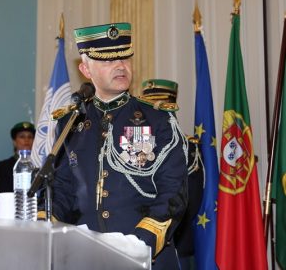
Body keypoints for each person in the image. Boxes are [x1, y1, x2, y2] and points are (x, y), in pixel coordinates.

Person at [51, 23, 189, 269]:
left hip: (146, 256)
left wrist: (139, 244)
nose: (120, 66)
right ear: (85, 70)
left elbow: (174, 190)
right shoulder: (70, 123)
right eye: (107, 61)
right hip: (87, 258)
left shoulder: (157, 119)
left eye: (125, 58)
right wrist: (45, 221)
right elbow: (61, 188)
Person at [139, 79, 204, 270]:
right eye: (148, 107)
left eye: (158, 108)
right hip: (138, 239)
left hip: (175, 242)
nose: (152, 114)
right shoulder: (136, 146)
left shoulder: (186, 147)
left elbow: (191, 201)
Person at [0, 121, 35, 196]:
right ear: (14, 141)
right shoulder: (3, 167)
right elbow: (4, 195)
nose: (26, 140)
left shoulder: (38, 164)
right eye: (22, 136)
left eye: (30, 137)